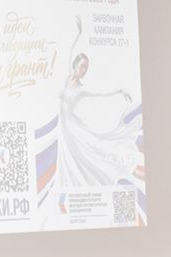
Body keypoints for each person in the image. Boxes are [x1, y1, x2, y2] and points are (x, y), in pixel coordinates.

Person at [57, 16, 143, 188]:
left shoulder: (81, 88)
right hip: (64, 127)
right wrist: (79, 34)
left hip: (73, 128)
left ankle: (119, 167)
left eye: (86, 68)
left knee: (94, 148)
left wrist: (120, 90)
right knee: (70, 159)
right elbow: (70, 52)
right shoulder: (67, 78)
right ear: (75, 65)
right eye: (82, 66)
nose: (84, 70)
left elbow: (101, 92)